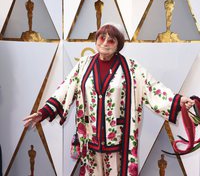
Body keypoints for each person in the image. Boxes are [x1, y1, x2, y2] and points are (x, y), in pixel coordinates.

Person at [23, 23, 194, 176]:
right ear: (96, 40)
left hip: (118, 142)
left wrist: (178, 101)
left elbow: (153, 89)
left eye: (111, 40)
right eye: (102, 38)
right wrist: (43, 112)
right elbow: (65, 89)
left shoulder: (131, 68)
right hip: (90, 140)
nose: (105, 43)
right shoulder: (83, 65)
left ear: (118, 45)